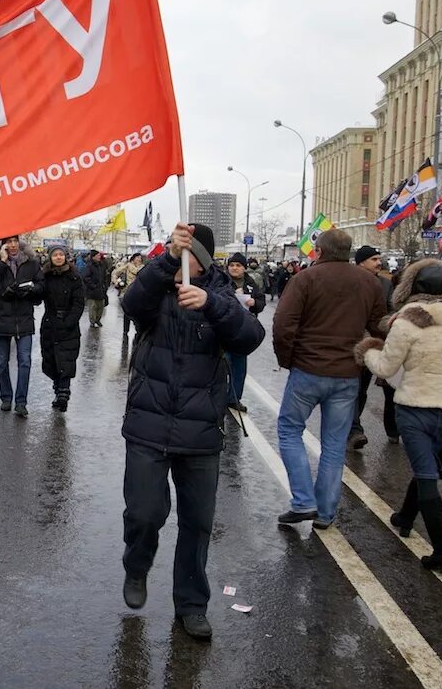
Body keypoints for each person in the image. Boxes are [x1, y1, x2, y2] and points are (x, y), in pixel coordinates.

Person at [119, 223, 264, 641]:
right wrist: (165, 261)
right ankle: (137, 564)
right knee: (145, 513)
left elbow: (249, 338)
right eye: (179, 252)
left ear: (204, 260)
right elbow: (132, 304)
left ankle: (192, 604)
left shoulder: (221, 292)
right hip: (148, 424)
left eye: (190, 254)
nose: (185, 261)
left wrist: (212, 306)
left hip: (201, 432)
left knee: (198, 523)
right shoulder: (159, 287)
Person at [356, 259, 442, 575]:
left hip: (413, 408)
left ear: (413, 289)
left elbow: (385, 368)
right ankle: (405, 516)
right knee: (427, 463)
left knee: (425, 473)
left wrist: (368, 350)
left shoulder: (406, 323)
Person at [272, 229, 386, 529]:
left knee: (288, 430)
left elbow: (283, 324)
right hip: (348, 373)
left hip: (308, 370)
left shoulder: (305, 279)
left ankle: (303, 501)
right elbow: (379, 327)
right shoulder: (369, 282)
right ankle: (325, 512)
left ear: (319, 251)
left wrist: (288, 359)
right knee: (334, 444)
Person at [0, 235, 45, 417]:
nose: (12, 245)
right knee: (2, 363)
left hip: (24, 319)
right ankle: (6, 397)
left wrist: (31, 290)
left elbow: (42, 284)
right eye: (8, 242)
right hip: (2, 318)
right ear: (3, 245)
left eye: (15, 241)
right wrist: (2, 263)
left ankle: (21, 402)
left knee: (24, 362)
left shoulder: (31, 262)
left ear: (20, 243)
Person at [350, 245, 398, 449]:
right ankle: (354, 430)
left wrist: (386, 326)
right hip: (351, 344)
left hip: (375, 345)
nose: (379, 263)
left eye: (379, 258)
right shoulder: (349, 281)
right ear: (361, 262)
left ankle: (389, 429)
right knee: (354, 389)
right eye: (374, 259)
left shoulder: (385, 284)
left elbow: (390, 310)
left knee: (365, 389)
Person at [40, 244, 85, 412]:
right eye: (55, 255)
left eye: (61, 254)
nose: (58, 257)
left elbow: (79, 302)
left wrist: (69, 322)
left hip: (68, 326)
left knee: (66, 361)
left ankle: (63, 395)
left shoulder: (74, 277)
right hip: (50, 324)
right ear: (50, 258)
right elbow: (39, 296)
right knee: (52, 360)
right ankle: (58, 390)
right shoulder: (45, 276)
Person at [224, 252, 265, 412]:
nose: (234, 268)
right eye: (232, 265)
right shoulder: (223, 281)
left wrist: (254, 302)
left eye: (238, 265)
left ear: (244, 268)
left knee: (239, 366)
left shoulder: (250, 283)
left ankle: (234, 398)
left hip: (243, 330)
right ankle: (218, 396)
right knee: (223, 364)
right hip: (225, 328)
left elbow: (261, 301)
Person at [111, 253, 144, 336]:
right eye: (137, 257)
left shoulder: (143, 268)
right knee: (127, 312)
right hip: (127, 292)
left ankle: (138, 329)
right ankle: (126, 330)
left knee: (138, 313)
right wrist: (115, 282)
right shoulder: (128, 266)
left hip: (139, 293)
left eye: (140, 258)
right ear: (133, 258)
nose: (139, 259)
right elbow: (115, 272)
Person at [82, 250, 110, 328]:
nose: (99, 257)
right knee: (93, 307)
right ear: (93, 257)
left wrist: (105, 285)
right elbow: (86, 277)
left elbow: (105, 276)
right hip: (92, 291)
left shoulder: (101, 265)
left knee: (100, 306)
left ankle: (98, 319)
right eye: (97, 255)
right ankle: (92, 321)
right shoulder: (89, 265)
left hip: (101, 289)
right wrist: (93, 285)